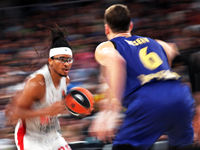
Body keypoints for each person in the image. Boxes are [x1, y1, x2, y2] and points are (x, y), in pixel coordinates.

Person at [89, 4, 196, 150]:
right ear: (131, 26)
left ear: (106, 28)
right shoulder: (158, 43)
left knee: (124, 146)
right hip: (180, 95)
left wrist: (111, 112)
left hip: (148, 100)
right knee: (183, 145)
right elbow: (176, 52)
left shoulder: (106, 47)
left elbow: (117, 62)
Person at [5, 23, 73, 150]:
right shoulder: (37, 83)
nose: (66, 64)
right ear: (50, 61)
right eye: (62, 59)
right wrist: (47, 111)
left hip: (52, 135)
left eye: (69, 59)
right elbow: (14, 113)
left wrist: (76, 109)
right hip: (31, 138)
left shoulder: (66, 80)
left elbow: (57, 106)